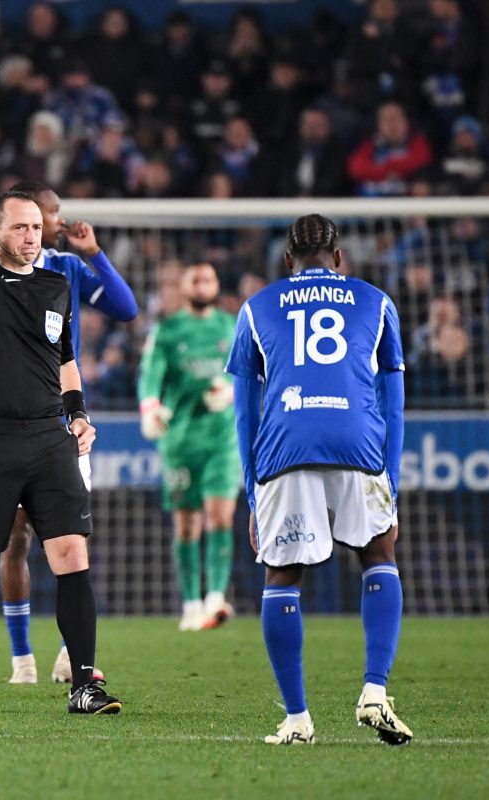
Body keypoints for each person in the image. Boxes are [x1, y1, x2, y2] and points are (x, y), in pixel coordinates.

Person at [0, 99, 120, 716]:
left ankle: (83, 685)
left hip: (49, 438)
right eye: (20, 227)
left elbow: (64, 357)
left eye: (37, 228)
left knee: (72, 556)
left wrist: (79, 414)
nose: (32, 236)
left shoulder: (57, 284)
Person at [226, 214, 411, 745]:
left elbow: (245, 413)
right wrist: (391, 481)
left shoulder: (256, 308)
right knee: (379, 555)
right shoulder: (377, 302)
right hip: (358, 442)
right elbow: (394, 403)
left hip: (286, 445)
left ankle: (298, 718)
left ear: (287, 260)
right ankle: (374, 691)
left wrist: (253, 493)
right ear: (339, 258)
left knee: (283, 576)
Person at [0, 180, 138, 685]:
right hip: (8, 424)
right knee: (13, 539)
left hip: (64, 423)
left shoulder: (67, 267)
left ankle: (68, 652)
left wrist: (94, 253)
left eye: (51, 217)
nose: (58, 221)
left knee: (70, 539)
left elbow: (126, 309)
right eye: (51, 213)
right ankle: (21, 658)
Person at [138, 263, 240, 631]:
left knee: (220, 516)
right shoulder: (167, 331)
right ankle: (191, 603)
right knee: (186, 525)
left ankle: (215, 598)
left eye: (208, 279)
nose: (202, 286)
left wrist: (230, 391)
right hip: (180, 441)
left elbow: (247, 371)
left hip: (223, 439)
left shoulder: (230, 327)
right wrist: (150, 408)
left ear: (217, 285)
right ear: (184, 287)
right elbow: (150, 376)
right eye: (195, 280)